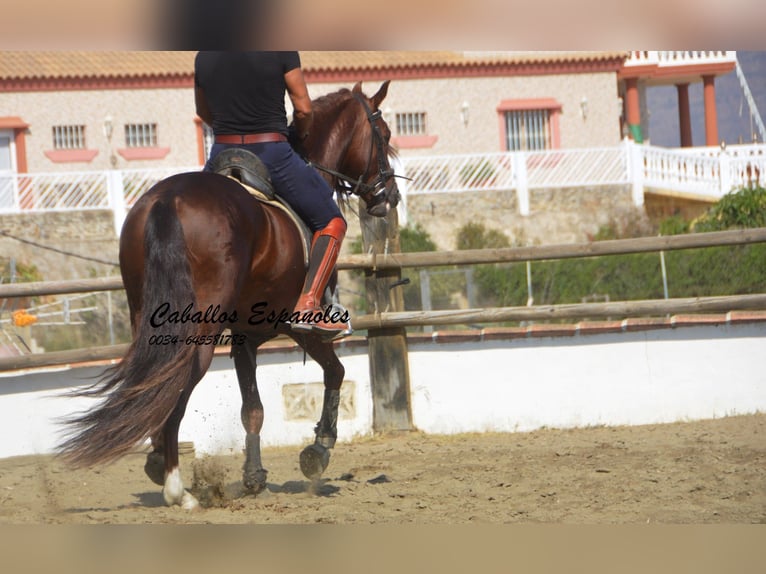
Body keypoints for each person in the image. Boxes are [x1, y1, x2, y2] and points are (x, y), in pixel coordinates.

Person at [194, 51, 350, 340]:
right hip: (272, 152)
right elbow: (303, 108)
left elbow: (204, 113)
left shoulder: (204, 55)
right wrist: (300, 135)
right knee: (332, 222)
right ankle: (309, 305)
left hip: (221, 153)